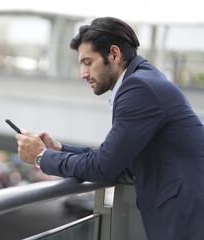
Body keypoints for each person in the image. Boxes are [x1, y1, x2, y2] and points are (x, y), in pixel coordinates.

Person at [15, 17, 204, 240]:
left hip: (186, 218)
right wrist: (59, 149)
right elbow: (114, 155)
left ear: (114, 54)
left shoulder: (138, 88)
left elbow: (104, 166)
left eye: (87, 62)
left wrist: (41, 157)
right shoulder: (144, 78)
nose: (83, 74)